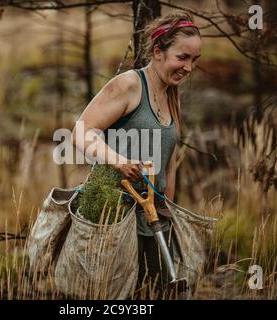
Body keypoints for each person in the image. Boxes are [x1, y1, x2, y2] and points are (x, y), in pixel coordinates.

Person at [72, 12, 201, 298]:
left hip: (153, 219)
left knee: (153, 292)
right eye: (182, 57)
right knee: (115, 296)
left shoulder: (171, 94)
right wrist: (117, 161)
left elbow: (169, 163)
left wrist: (166, 209)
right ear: (158, 51)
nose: (189, 67)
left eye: (194, 60)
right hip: (113, 216)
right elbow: (81, 131)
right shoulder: (129, 85)